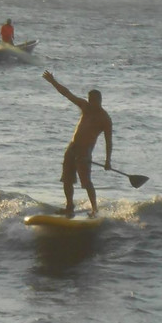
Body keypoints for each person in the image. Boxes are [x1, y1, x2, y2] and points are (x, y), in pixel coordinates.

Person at [43, 70, 113, 217]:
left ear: (100, 101)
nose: (91, 103)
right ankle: (69, 206)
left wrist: (108, 161)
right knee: (67, 179)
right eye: (90, 100)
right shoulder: (85, 106)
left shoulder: (105, 119)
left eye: (94, 101)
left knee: (86, 181)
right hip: (72, 147)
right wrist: (53, 81)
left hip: (85, 151)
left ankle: (94, 209)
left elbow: (109, 142)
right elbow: (67, 94)